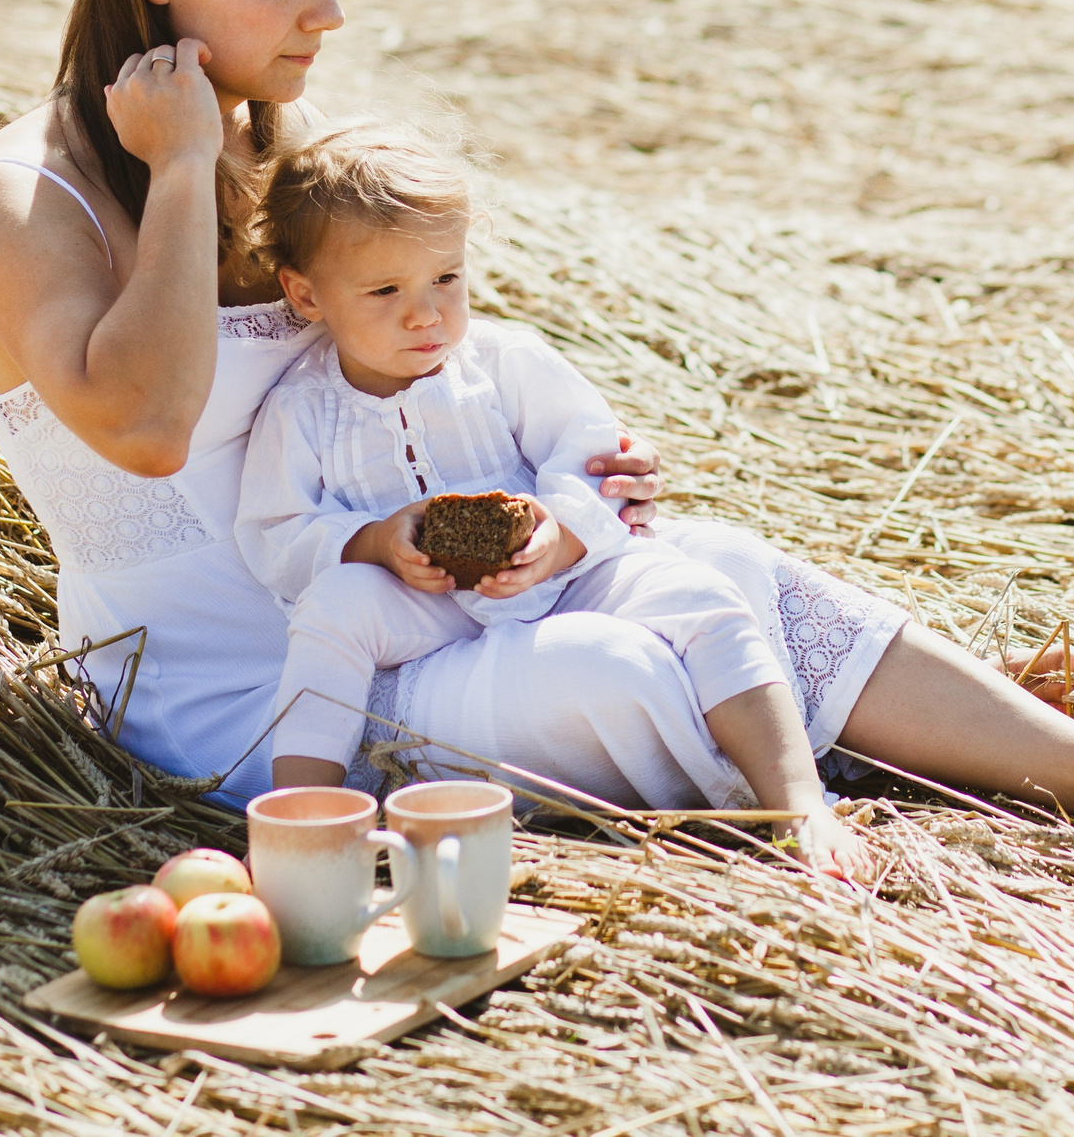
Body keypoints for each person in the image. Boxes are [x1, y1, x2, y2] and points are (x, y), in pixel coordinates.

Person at [0, 0, 1074, 849]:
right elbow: (153, 424)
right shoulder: (24, 202)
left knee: (723, 569)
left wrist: (557, 477)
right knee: (630, 674)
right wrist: (179, 165)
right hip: (258, 708)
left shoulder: (283, 153)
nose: (331, 9)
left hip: (438, 610)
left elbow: (409, 376)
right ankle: (881, 738)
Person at [237, 125, 860, 871]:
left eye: (447, 278)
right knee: (333, 607)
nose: (427, 313)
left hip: (565, 574)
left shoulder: (505, 361)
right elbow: (275, 530)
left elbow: (588, 450)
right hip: (422, 604)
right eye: (385, 291)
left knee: (701, 593)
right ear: (306, 294)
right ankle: (300, 835)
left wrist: (559, 534)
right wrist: (374, 542)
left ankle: (798, 801)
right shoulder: (303, 408)